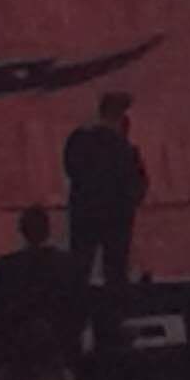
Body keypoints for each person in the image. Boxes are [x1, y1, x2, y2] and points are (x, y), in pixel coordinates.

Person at [61, 91, 147, 294]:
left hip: (85, 212)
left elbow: (71, 168)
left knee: (80, 267)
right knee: (115, 272)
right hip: (116, 217)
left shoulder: (80, 138)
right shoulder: (123, 148)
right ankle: (113, 316)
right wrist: (129, 202)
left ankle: (75, 314)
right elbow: (137, 182)